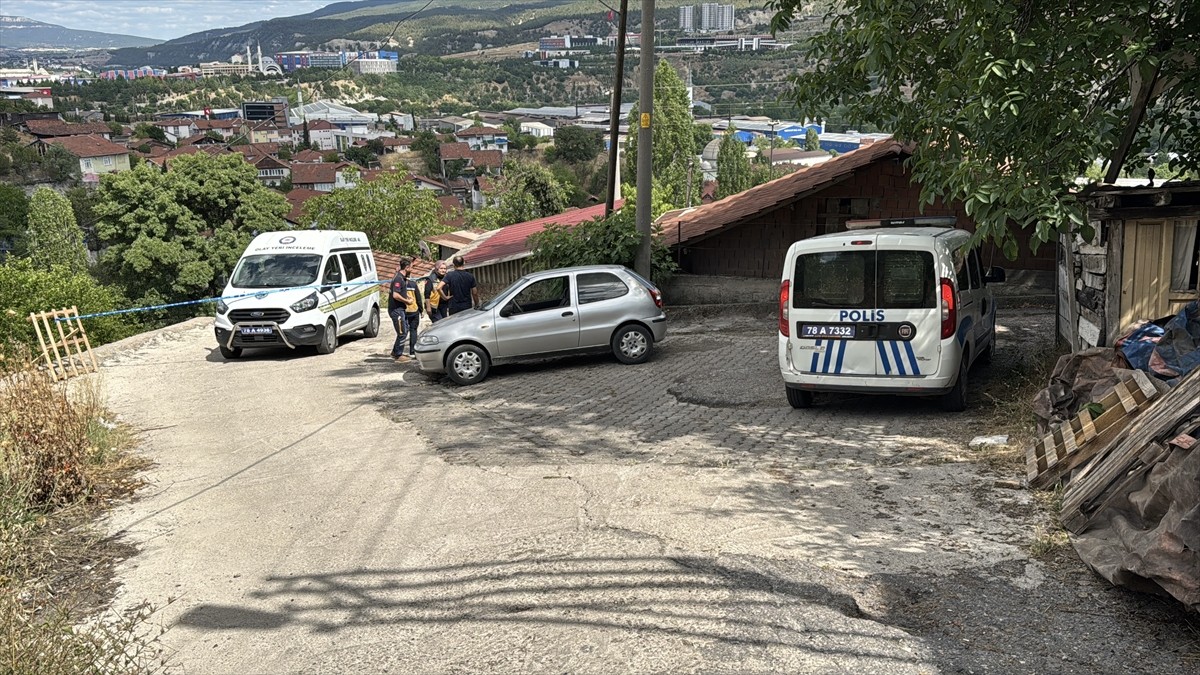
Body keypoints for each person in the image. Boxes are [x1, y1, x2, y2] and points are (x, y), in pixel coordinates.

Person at [388, 257, 413, 361]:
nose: (412, 269)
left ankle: (395, 351)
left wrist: (407, 296)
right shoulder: (398, 278)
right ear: (406, 267)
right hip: (396, 310)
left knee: (405, 329)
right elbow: (395, 295)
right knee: (402, 332)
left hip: (400, 309)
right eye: (411, 267)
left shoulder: (402, 278)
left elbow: (400, 292)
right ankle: (398, 354)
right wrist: (407, 301)